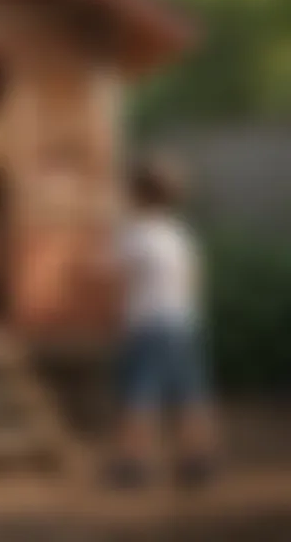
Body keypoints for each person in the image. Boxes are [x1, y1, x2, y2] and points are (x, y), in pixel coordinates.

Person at [108, 154, 216, 488]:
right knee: (189, 393)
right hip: (184, 323)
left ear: (137, 195)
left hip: (149, 324)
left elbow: (109, 273)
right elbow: (195, 280)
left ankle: (133, 463)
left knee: (139, 395)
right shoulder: (179, 235)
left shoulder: (137, 234)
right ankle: (196, 461)